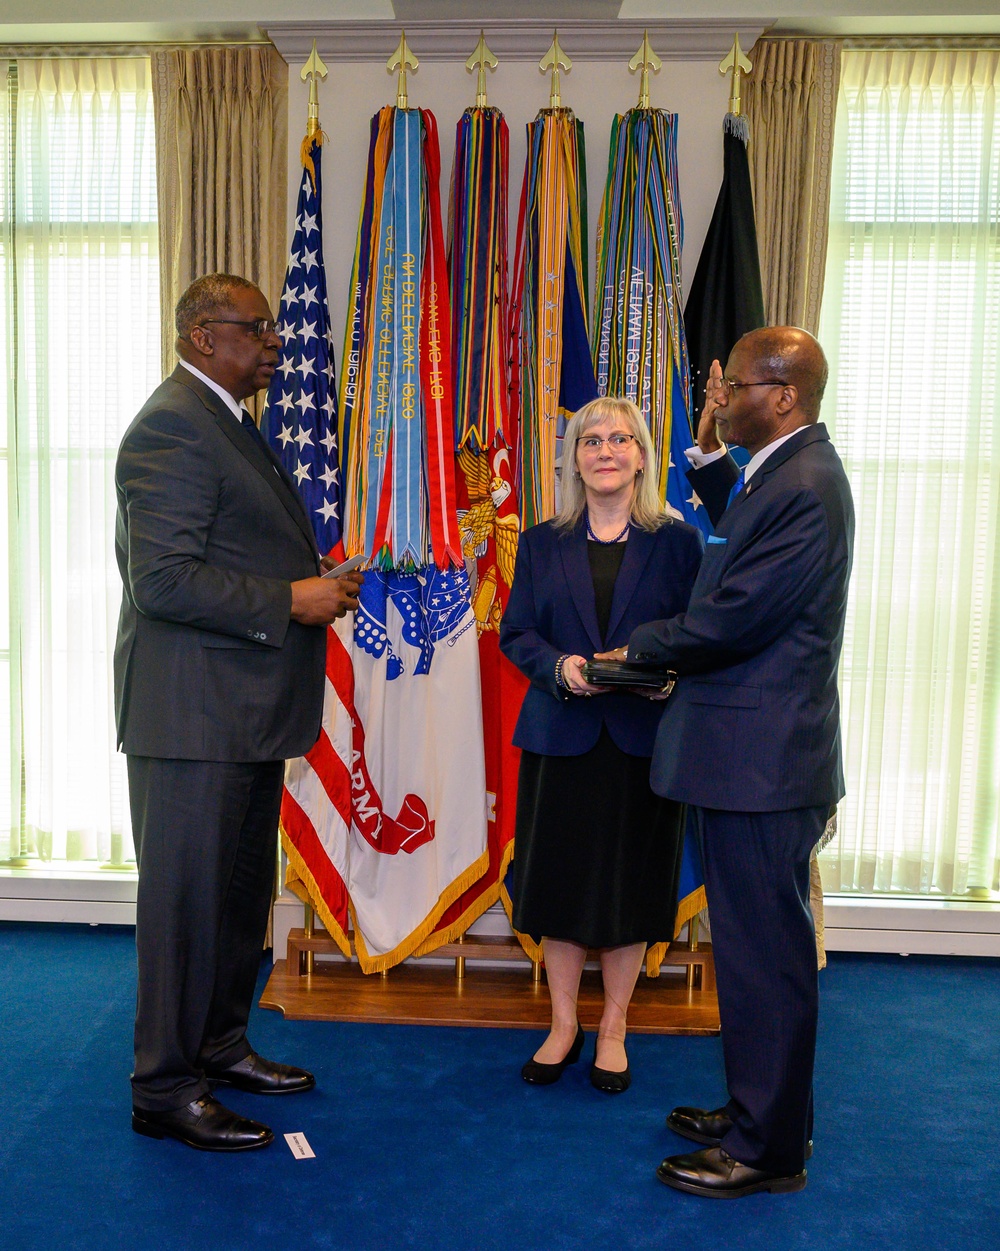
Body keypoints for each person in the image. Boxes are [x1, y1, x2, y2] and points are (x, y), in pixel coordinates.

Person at [601, 327, 854, 1196]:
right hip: (750, 758)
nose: (720, 396)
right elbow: (734, 519)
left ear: (782, 396)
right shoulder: (782, 473)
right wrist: (708, 447)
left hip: (763, 764)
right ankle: (760, 1109)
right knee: (751, 954)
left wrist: (631, 649)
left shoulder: (809, 486)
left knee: (766, 962)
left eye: (736, 386)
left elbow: (733, 617)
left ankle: (766, 1151)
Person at [114, 273, 362, 1152]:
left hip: (244, 717)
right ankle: (165, 1087)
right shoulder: (174, 424)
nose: (274, 342)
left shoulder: (230, 422)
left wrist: (314, 586)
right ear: (199, 334)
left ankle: (217, 1047)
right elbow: (164, 579)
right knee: (186, 909)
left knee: (233, 900)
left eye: (270, 328)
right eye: (256, 329)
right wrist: (289, 599)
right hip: (192, 722)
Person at [499, 396, 703, 1093]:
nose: (606, 450)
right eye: (591, 439)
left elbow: (698, 635)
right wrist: (560, 669)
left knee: (628, 890)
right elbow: (517, 632)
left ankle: (613, 1026)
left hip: (643, 741)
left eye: (621, 438)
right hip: (562, 737)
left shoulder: (678, 544)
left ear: (644, 455)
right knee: (558, 886)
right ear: (573, 457)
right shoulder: (539, 540)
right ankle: (563, 1024)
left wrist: (663, 679)